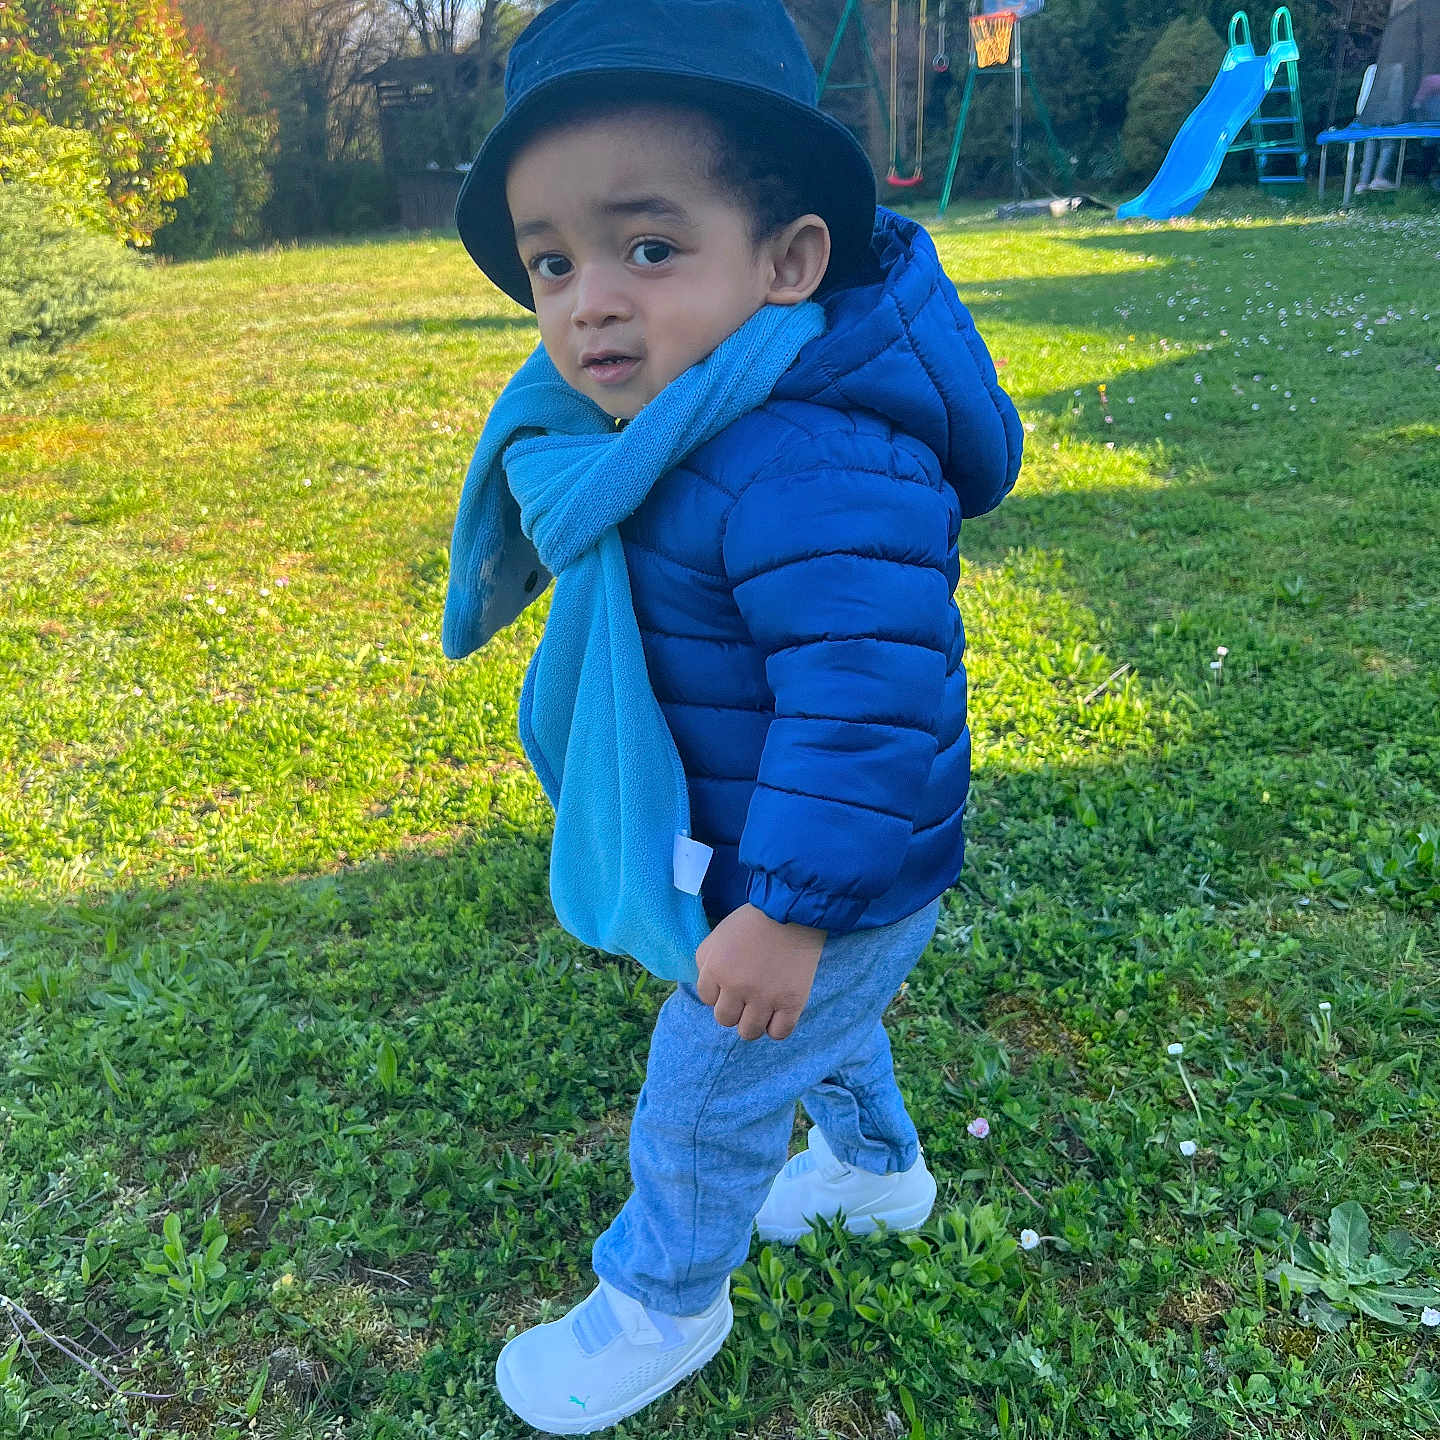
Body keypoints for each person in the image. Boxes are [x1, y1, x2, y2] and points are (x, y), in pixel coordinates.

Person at [441, 0, 1021, 1430]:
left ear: (790, 260)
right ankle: (878, 1173)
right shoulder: (687, 422)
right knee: (820, 1025)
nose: (590, 300)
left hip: (831, 861)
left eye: (650, 247)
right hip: (773, 845)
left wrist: (791, 904)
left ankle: (661, 1301)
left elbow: (869, 700)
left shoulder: (807, 457)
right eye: (553, 262)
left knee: (709, 1087)